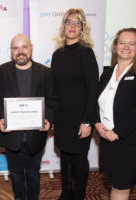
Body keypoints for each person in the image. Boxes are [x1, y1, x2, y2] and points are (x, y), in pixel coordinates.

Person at [0, 34, 57, 200]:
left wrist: (47, 118)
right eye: (15, 48)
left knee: (33, 174)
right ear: (11, 51)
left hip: (36, 135)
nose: (20, 51)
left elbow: (52, 100)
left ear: (31, 48)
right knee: (16, 175)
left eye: (24, 47)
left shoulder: (45, 73)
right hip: (12, 135)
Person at [95, 28, 136, 200]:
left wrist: (117, 132)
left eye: (131, 43)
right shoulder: (107, 73)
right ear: (115, 46)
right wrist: (98, 124)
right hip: (106, 137)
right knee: (114, 181)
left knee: (122, 185)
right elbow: (95, 102)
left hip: (130, 140)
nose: (126, 47)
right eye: (122, 43)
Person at [51, 8, 99, 200]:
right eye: (69, 22)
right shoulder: (57, 54)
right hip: (62, 118)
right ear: (63, 26)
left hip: (80, 118)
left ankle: (78, 195)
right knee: (65, 157)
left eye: (76, 23)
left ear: (82, 28)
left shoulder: (86, 54)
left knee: (79, 159)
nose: (72, 26)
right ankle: (66, 193)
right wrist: (52, 116)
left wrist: (87, 121)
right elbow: (54, 89)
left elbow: (92, 90)